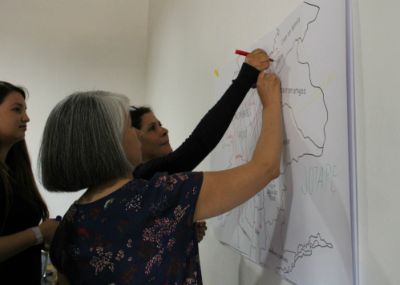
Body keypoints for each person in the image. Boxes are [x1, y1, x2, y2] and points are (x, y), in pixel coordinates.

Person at [39, 67, 282, 284]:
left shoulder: (68, 225)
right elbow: (265, 168)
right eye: (128, 127)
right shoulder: (159, 196)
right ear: (109, 143)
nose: (135, 135)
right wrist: (271, 103)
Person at [130, 49, 271, 241]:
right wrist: (245, 77)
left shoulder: (151, 184)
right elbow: (197, 145)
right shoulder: (141, 178)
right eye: (152, 128)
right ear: (134, 139)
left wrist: (180, 235)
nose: (164, 131)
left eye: (160, 124)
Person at [0, 81, 59, 284]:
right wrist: (39, 233)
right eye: (17, 110)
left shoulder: (15, 174)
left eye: (25, 110)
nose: (26, 118)